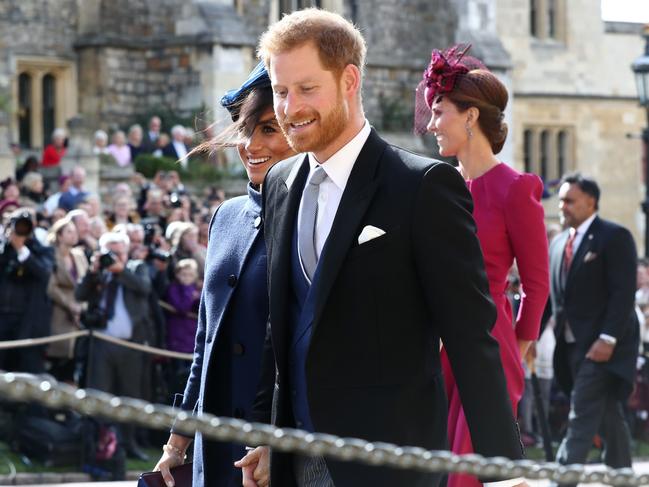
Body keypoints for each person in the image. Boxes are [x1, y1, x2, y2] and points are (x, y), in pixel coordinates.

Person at [236, 9, 527, 487]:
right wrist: (269, 434)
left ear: (349, 80)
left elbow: (471, 336)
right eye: (282, 91)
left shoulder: (423, 187)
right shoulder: (280, 184)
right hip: (295, 464)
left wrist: (503, 471)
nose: (290, 108)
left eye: (307, 89)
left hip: (393, 467)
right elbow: (282, 323)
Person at [153, 61, 295, 487]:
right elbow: (206, 341)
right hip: (211, 451)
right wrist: (176, 444)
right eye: (245, 129)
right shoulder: (226, 217)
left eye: (269, 129)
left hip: (273, 453)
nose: (251, 144)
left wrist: (278, 439)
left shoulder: (314, 216)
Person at [420, 45, 549, 486]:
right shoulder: (437, 186)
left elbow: (537, 283)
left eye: (440, 112)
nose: (432, 124)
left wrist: (518, 346)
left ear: (470, 115)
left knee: (469, 473)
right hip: (433, 347)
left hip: (490, 344)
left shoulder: (515, 189)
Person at [549, 173, 639, 487]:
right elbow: (553, 296)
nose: (563, 206)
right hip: (571, 346)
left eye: (569, 200)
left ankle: (563, 478)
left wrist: (608, 338)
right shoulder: (559, 243)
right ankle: (623, 476)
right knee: (607, 413)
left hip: (604, 346)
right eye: (560, 200)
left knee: (582, 411)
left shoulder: (614, 236)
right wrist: (528, 335)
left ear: (591, 201)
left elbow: (623, 292)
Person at [75, 231, 154, 462]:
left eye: (119, 252)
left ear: (127, 252)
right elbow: (80, 294)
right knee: (99, 395)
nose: (115, 257)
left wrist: (121, 271)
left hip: (132, 346)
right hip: (101, 344)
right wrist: (93, 271)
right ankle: (100, 443)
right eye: (111, 252)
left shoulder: (137, 267)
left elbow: (144, 288)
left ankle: (129, 443)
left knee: (131, 396)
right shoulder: (98, 272)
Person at [0, 207, 54, 373]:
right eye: (18, 225)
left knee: (28, 375)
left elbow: (44, 274)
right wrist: (6, 243)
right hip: (2, 322)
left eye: (26, 225)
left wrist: (21, 250)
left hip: (29, 325)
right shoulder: (3, 251)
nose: (22, 229)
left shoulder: (42, 250)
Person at [46, 216, 88, 382]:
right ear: (59, 235)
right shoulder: (51, 255)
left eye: (74, 231)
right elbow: (51, 286)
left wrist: (81, 307)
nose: (73, 235)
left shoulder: (79, 256)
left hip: (77, 318)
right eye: (69, 231)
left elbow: (86, 284)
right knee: (56, 362)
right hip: (57, 314)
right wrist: (69, 305)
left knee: (73, 365)